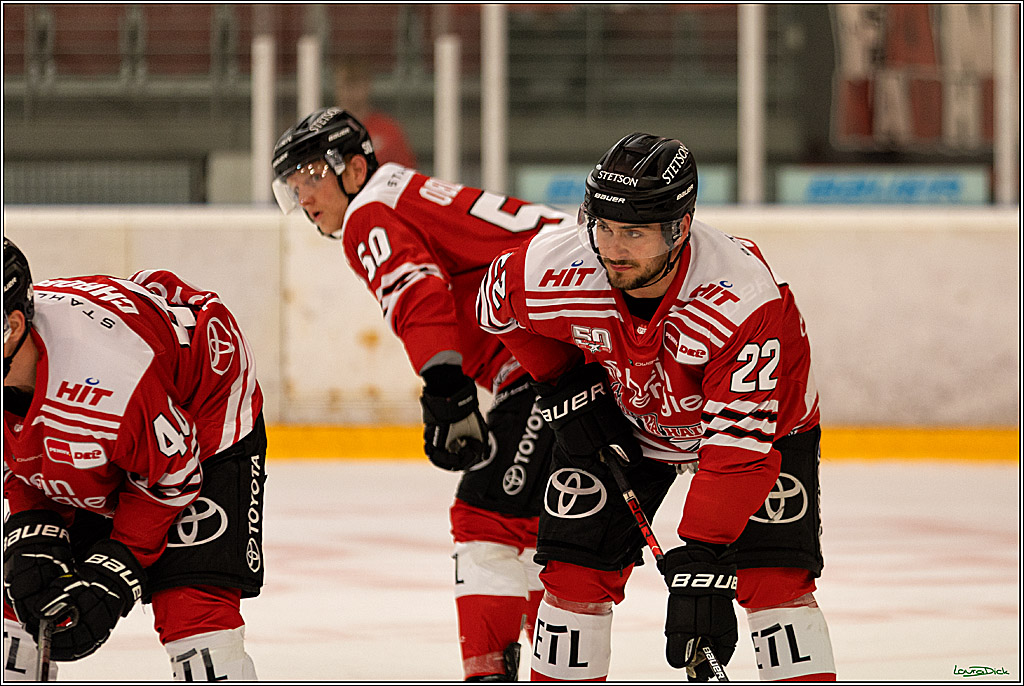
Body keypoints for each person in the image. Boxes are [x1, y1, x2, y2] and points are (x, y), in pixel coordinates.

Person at [475, 133, 837, 681]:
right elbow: (495, 307)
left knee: (775, 583)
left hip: (764, 432)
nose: (614, 249)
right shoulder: (561, 265)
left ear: (680, 227)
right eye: (605, 227)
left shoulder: (741, 299)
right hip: (629, 418)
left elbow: (737, 454)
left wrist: (705, 559)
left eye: (635, 233)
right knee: (573, 574)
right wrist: (562, 381)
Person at [271, 107, 574, 681]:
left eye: (312, 174)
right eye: (293, 184)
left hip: (553, 361)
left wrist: (445, 386)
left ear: (354, 169)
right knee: (534, 526)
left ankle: (493, 674)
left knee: (486, 519)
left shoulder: (370, 213)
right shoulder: (400, 194)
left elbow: (418, 288)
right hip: (577, 350)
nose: (304, 195)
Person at [2, 238, 266, 681]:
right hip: (127, 411)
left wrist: (116, 568)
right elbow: (17, 449)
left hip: (202, 413)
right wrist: (33, 522)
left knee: (193, 616)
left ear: (11, 326)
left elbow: (176, 474)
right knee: (25, 593)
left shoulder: (110, 379)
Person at [334, 57, 418, 169]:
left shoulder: (388, 130)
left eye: (356, 83)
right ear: (337, 87)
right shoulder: (326, 129)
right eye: (346, 84)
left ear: (368, 85)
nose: (351, 91)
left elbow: (407, 172)